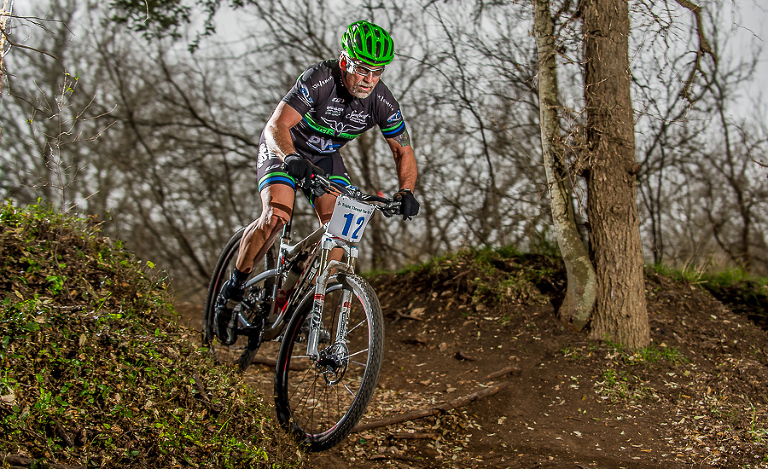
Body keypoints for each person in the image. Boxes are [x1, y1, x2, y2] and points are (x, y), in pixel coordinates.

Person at [214, 20, 420, 344]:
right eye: (362, 69)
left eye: (377, 72)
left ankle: (296, 304)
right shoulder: (320, 79)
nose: (369, 80)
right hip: (285, 147)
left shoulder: (382, 101)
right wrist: (290, 158)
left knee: (339, 234)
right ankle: (234, 287)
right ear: (344, 61)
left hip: (325, 160)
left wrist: (406, 190)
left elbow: (403, 151)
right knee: (276, 217)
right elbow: (276, 125)